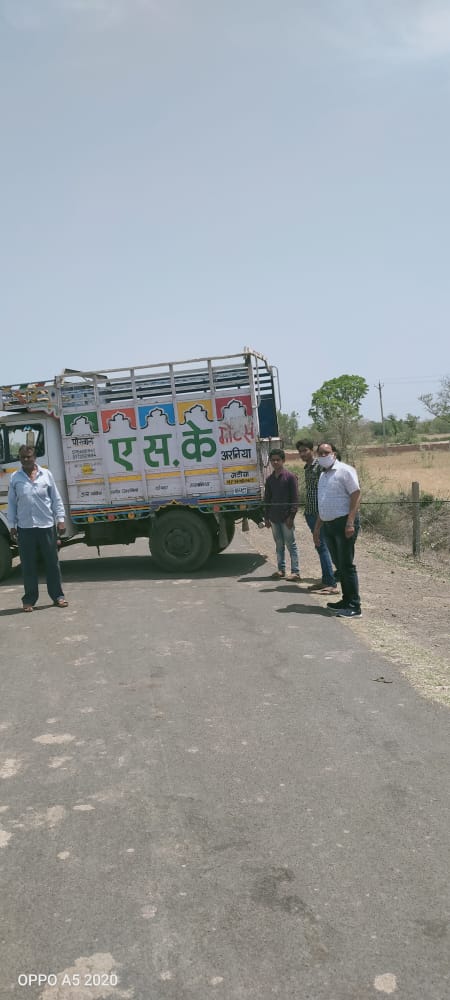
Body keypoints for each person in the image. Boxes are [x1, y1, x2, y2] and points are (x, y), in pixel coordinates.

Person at [7, 445, 68, 612]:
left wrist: (60, 520)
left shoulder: (46, 475)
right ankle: (29, 600)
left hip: (46, 526)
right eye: (23, 457)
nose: (26, 460)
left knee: (52, 563)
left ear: (35, 457)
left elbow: (56, 499)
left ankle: (58, 596)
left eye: (29, 457)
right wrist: (12, 525)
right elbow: (12, 503)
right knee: (28, 565)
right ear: (19, 458)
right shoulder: (15, 477)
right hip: (25, 528)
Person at [313, 442, 361, 618]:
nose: (323, 455)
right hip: (328, 525)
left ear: (334, 453)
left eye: (326, 452)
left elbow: (356, 494)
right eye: (320, 453)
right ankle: (346, 600)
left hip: (343, 524)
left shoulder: (345, 470)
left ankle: (355, 606)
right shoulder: (323, 475)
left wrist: (350, 522)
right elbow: (323, 503)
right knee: (339, 565)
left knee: (347, 565)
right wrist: (317, 529)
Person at [296, 438, 338, 595]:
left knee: (322, 547)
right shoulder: (307, 468)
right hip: (310, 512)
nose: (302, 454)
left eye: (305, 450)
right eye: (300, 451)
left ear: (312, 450)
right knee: (320, 546)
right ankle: (326, 579)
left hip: (321, 514)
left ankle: (331, 583)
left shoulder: (320, 466)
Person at [264, 447, 300, 581]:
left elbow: (295, 499)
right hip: (274, 518)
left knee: (291, 544)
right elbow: (267, 499)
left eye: (278, 460)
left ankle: (295, 571)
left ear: (283, 461)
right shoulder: (270, 479)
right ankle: (281, 570)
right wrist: (266, 517)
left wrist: (291, 517)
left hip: (286, 518)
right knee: (279, 545)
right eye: (272, 460)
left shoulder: (290, 477)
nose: (275, 462)